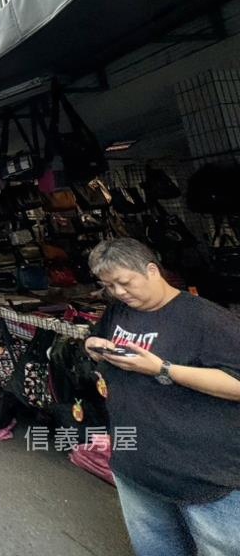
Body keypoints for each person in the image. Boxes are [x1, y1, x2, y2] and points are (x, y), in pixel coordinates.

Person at [84, 238, 240, 555]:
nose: (118, 292)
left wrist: (163, 368)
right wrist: (92, 348)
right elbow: (97, 340)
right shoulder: (119, 312)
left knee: (220, 549)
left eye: (125, 282)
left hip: (201, 475)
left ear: (152, 270)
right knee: (154, 547)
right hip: (135, 465)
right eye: (109, 285)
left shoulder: (208, 320)